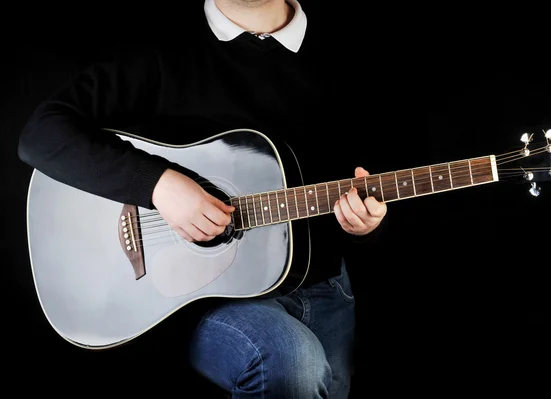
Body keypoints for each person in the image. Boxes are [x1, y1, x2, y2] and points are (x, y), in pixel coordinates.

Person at [17, 0, 389, 397]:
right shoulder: (162, 46)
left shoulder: (348, 54)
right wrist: (159, 185)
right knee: (291, 358)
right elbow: (42, 134)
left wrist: (365, 225)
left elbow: (371, 177)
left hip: (324, 284)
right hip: (208, 296)